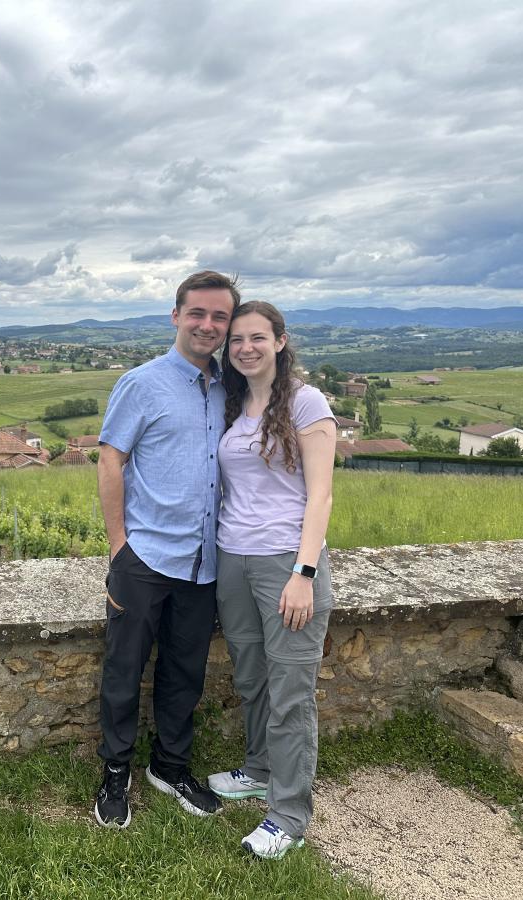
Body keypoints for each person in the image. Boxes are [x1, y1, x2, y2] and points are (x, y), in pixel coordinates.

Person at [93, 270, 238, 828]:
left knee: (186, 672)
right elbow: (111, 459)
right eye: (197, 313)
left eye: (219, 316)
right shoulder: (142, 383)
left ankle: (171, 766)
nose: (207, 325)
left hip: (206, 562)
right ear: (176, 315)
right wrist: (118, 548)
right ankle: (115, 772)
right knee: (123, 671)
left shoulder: (231, 388)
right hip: (147, 558)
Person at [207, 301, 337, 859]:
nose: (245, 348)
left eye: (257, 338)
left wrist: (303, 573)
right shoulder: (234, 404)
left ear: (280, 342)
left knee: (290, 693)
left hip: (286, 562)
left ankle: (287, 815)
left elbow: (321, 495)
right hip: (232, 561)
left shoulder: (307, 403)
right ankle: (259, 769)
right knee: (253, 680)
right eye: (236, 340)